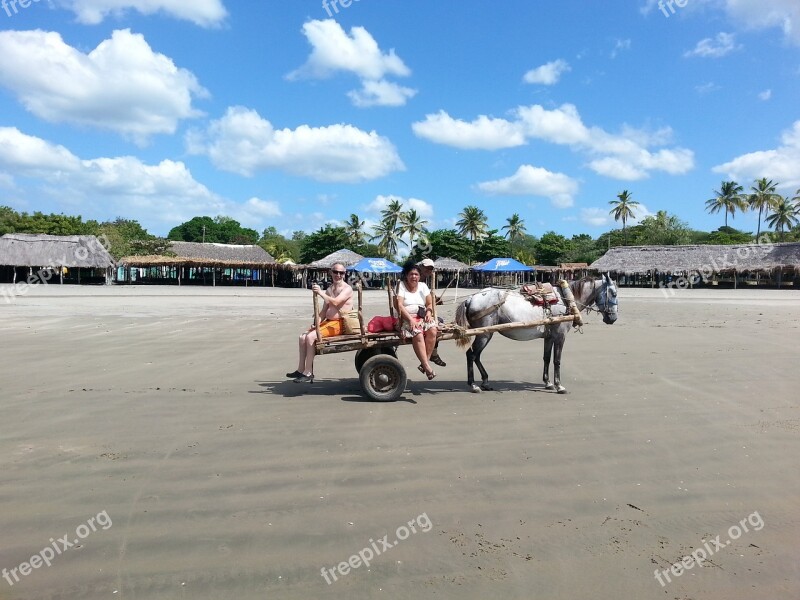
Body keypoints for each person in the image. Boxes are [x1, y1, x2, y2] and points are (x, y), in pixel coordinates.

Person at [287, 262, 353, 383]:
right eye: (335, 272)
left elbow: (337, 302)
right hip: (329, 322)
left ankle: (308, 372)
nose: (338, 275)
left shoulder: (347, 289)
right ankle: (301, 369)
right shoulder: (329, 289)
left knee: (311, 337)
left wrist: (320, 293)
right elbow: (323, 311)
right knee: (302, 337)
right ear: (331, 272)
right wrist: (316, 323)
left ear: (344, 274)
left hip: (340, 323)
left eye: (341, 273)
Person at [395, 261, 438, 380]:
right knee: (417, 334)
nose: (414, 277)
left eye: (416, 274)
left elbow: (429, 303)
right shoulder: (401, 286)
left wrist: (429, 312)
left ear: (419, 276)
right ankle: (427, 367)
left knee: (433, 330)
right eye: (411, 274)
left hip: (422, 317)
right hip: (405, 318)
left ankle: (425, 363)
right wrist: (410, 320)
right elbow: (399, 305)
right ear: (406, 275)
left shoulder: (423, 286)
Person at [417, 258, 446, 367]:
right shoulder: (416, 278)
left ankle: (433, 353)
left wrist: (436, 299)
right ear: (421, 267)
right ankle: (431, 354)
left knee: (439, 321)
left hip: (421, 309)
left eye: (431, 269)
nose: (429, 271)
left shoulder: (423, 280)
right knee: (439, 324)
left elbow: (426, 296)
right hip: (415, 311)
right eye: (427, 268)